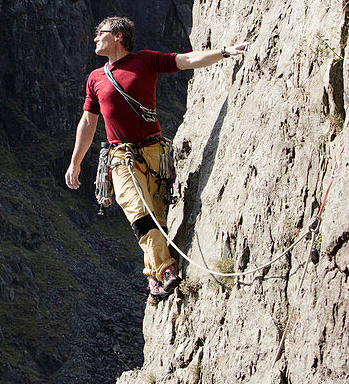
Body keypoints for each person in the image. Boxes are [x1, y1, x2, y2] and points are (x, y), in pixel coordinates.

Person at [64, 16, 247, 302]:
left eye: (100, 33)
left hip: (155, 154)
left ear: (118, 36)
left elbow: (186, 60)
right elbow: (87, 123)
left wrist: (224, 52)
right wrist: (75, 161)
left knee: (157, 218)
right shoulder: (95, 79)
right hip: (121, 156)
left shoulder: (145, 61)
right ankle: (166, 270)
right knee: (138, 210)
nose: (95, 38)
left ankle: (153, 279)